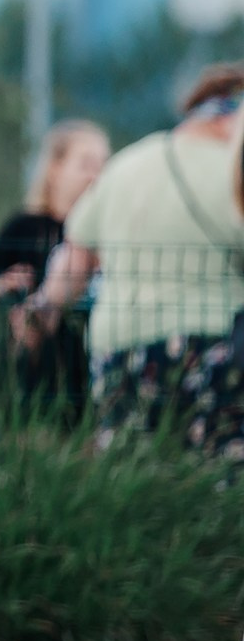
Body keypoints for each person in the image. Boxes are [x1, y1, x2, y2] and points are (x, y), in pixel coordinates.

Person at [27, 65, 244, 454]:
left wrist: (40, 313)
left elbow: (74, 260)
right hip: (211, 347)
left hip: (118, 351)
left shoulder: (125, 165)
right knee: (217, 475)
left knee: (135, 475)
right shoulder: (233, 172)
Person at [0, 119, 111, 417]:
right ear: (55, 169)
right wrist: (1, 288)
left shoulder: (112, 234)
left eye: (103, 164)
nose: (96, 175)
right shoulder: (23, 228)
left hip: (95, 373)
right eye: (86, 164)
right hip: (38, 382)